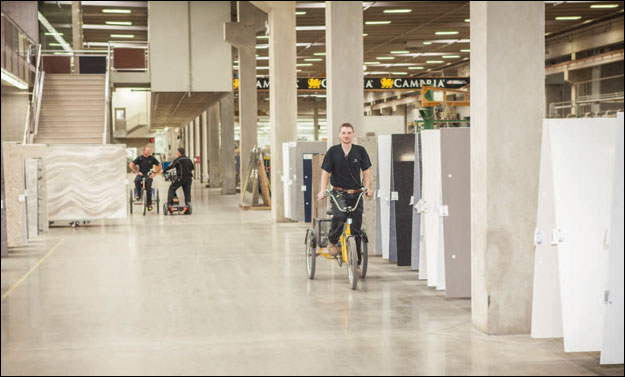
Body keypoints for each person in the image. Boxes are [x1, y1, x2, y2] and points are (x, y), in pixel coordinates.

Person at [317, 123, 373, 273]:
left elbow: (366, 171)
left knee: (356, 229)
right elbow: (325, 173)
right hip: (338, 192)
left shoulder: (360, 151)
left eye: (349, 132)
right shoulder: (333, 152)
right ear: (339, 135)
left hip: (356, 193)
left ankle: (358, 265)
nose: (346, 135)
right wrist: (323, 190)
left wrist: (367, 187)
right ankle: (332, 241)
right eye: (343, 133)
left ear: (353, 134)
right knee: (340, 216)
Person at [129, 146, 161, 211]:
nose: (149, 151)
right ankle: (139, 194)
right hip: (141, 174)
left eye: (149, 150)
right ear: (144, 151)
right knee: (136, 181)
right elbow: (131, 165)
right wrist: (136, 172)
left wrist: (155, 173)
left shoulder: (152, 158)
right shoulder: (140, 158)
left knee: (149, 188)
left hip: (149, 175)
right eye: (147, 150)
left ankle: (149, 204)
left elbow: (159, 165)